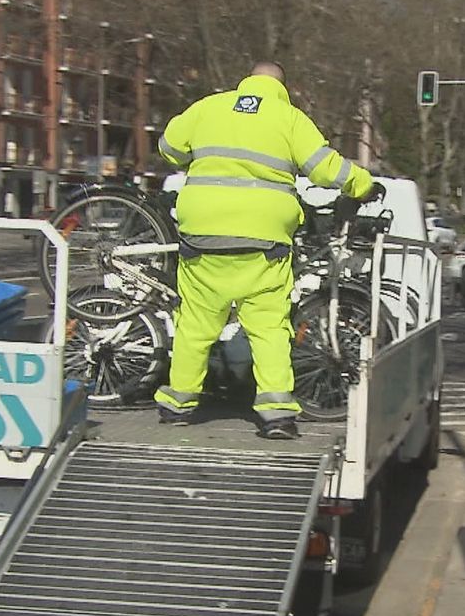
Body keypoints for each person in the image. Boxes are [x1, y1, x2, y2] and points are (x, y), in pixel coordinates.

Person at [153, 60, 383, 440]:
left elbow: (169, 149)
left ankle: (178, 404)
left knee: (194, 325)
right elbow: (325, 168)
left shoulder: (208, 107)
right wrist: (362, 184)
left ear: (246, 80)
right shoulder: (289, 117)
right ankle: (276, 414)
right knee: (269, 329)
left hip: (203, 235)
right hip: (264, 240)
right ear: (281, 86)